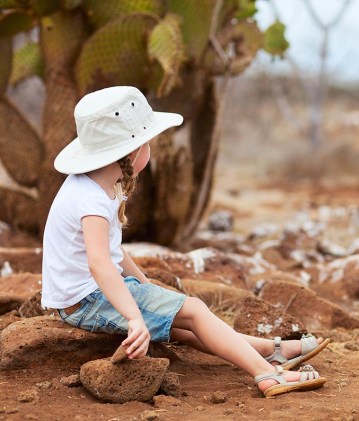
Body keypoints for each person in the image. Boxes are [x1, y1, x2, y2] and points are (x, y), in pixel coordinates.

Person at [40, 86, 329, 398]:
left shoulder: (101, 183)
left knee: (178, 323)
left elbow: (113, 251)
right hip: (86, 300)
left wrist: (144, 284)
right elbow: (99, 263)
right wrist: (133, 316)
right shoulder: (90, 198)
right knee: (195, 310)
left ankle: (270, 351)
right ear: (133, 152)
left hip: (84, 297)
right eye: (147, 143)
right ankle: (268, 374)